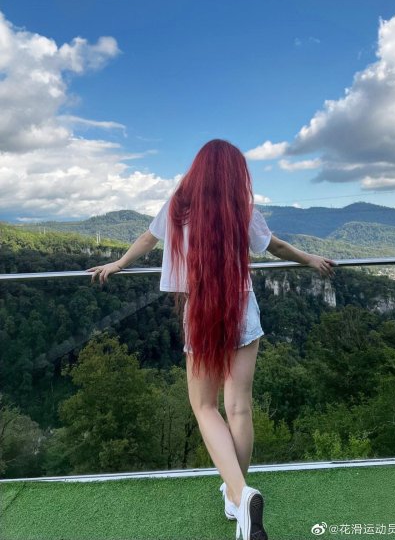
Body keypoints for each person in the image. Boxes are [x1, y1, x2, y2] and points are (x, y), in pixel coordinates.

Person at [87, 138, 336, 540]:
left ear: (198, 170)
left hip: (201, 312)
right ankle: (238, 497)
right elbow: (274, 246)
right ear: (236, 175)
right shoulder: (242, 210)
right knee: (239, 409)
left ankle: (240, 494)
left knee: (204, 406)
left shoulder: (177, 207)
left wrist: (119, 263)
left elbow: (148, 239)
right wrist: (310, 259)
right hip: (242, 310)